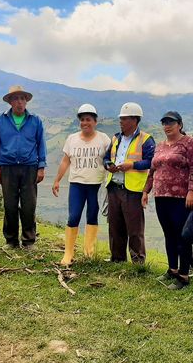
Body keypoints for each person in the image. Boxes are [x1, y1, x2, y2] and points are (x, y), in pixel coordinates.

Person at [142, 111, 193, 289]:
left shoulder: (189, 143)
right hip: (161, 196)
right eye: (164, 123)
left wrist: (191, 191)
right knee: (169, 234)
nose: (167, 126)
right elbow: (152, 171)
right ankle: (172, 269)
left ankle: (184, 276)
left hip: (181, 198)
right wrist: (145, 191)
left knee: (183, 236)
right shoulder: (160, 145)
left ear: (179, 125)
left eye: (171, 123)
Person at [52, 104, 111, 265]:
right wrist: (57, 180)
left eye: (89, 119)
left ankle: (88, 252)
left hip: (96, 185)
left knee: (92, 215)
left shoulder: (103, 139)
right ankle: (68, 253)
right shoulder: (72, 139)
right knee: (74, 216)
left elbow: (110, 158)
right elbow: (66, 161)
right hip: (77, 184)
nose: (85, 123)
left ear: (95, 121)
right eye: (82, 119)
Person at [0, 85, 47, 251]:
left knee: (29, 205)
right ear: (10, 102)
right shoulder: (0, 120)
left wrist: (41, 167)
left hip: (30, 167)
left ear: (26, 101)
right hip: (7, 167)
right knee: (10, 205)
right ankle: (11, 240)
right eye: (15, 99)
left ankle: (29, 240)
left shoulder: (35, 121)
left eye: (22, 98)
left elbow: (41, 145)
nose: (19, 102)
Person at [103, 102, 155, 264]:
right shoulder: (115, 138)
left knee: (134, 229)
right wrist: (108, 165)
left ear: (135, 120)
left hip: (132, 190)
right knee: (115, 226)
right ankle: (117, 259)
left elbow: (151, 161)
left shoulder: (146, 139)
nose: (121, 121)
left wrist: (132, 165)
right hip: (114, 187)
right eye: (121, 118)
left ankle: (138, 262)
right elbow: (106, 158)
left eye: (125, 119)